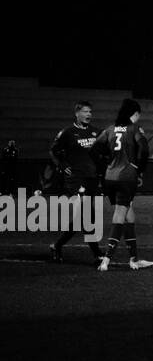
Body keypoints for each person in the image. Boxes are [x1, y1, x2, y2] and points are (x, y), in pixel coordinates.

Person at [91, 98, 153, 270]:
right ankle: (106, 259)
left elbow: (95, 149)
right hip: (126, 177)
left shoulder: (109, 130)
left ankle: (134, 259)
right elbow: (144, 149)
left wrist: (106, 164)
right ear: (134, 114)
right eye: (137, 115)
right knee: (120, 214)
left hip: (109, 178)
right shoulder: (134, 129)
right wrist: (139, 169)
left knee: (129, 215)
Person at [48, 101, 105, 265]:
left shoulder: (96, 132)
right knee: (88, 213)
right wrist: (62, 165)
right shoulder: (67, 132)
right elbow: (53, 151)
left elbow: (105, 150)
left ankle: (57, 245)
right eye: (86, 111)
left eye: (90, 112)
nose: (89, 115)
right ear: (77, 113)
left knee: (83, 217)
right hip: (76, 179)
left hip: (92, 178)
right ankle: (97, 254)